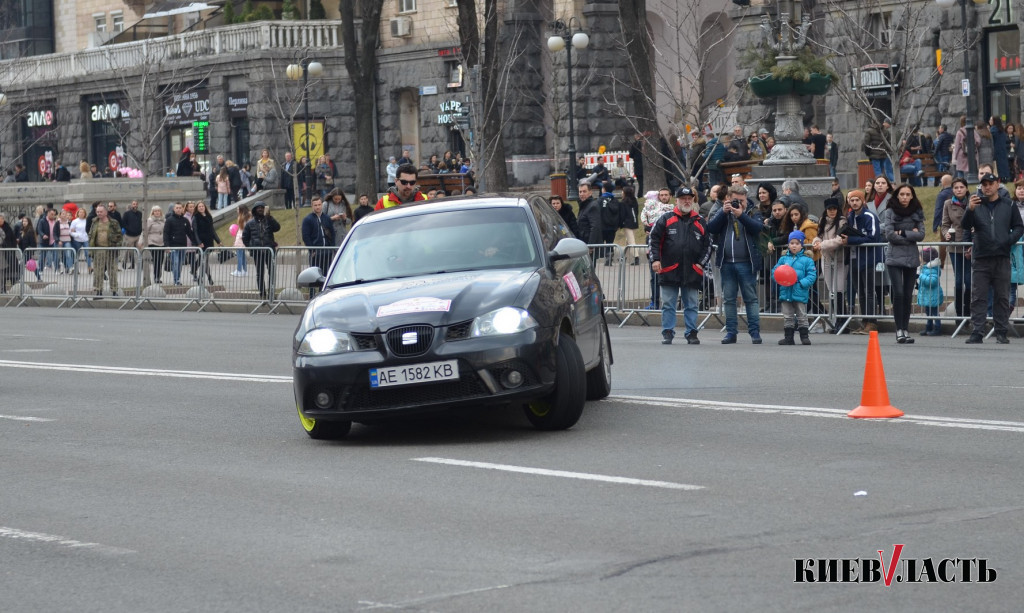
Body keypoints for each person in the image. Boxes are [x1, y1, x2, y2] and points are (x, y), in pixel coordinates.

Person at [961, 173, 1024, 343]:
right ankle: (977, 331)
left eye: (990, 183)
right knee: (978, 296)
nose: (987, 187)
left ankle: (1001, 332)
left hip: (1002, 258)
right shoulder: (976, 204)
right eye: (984, 184)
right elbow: (965, 226)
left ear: (998, 184)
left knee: (1002, 296)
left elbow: (1019, 227)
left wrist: (1008, 241)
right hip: (981, 257)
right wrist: (969, 210)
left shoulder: (1008, 204)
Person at [648, 186, 712, 345]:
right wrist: (655, 260)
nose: (687, 201)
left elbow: (708, 245)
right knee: (668, 303)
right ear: (676, 200)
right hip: (669, 269)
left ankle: (691, 333)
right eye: (683, 198)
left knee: (691, 304)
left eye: (689, 198)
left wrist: (700, 264)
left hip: (692, 271)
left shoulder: (700, 221)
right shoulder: (665, 219)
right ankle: (668, 332)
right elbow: (653, 240)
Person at [707, 184, 764, 344]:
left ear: (746, 199)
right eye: (735, 200)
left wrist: (741, 215)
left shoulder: (753, 212)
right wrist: (723, 213)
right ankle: (731, 332)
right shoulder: (724, 212)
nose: (739, 203)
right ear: (728, 199)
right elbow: (710, 228)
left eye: (741, 200)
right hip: (727, 263)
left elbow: (758, 228)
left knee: (751, 299)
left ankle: (754, 332)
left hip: (747, 263)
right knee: (729, 299)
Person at [881, 184, 925, 344]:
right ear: (897, 196)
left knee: (907, 295)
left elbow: (921, 234)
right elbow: (890, 234)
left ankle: (905, 328)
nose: (905, 197)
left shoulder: (917, 211)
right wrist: (909, 235)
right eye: (902, 194)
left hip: (911, 258)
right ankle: (899, 329)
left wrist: (903, 233)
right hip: (894, 258)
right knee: (898, 293)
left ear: (912, 196)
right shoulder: (890, 211)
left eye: (908, 194)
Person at [840, 189, 882, 334]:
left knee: (869, 291)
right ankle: (865, 321)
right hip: (854, 259)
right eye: (852, 200)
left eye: (857, 200)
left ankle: (872, 322)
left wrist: (850, 240)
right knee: (860, 292)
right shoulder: (850, 216)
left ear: (863, 201)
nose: (854, 202)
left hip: (868, 259)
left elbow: (873, 238)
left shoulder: (870, 216)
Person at [773, 230, 817, 345]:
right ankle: (789, 337)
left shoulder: (807, 260)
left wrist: (802, 283)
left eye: (797, 243)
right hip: (785, 291)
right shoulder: (783, 259)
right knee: (788, 315)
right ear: (788, 244)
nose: (794, 246)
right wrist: (778, 278)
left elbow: (812, 275)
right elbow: (775, 271)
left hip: (799, 291)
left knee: (802, 315)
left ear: (801, 245)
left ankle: (804, 337)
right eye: (792, 243)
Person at [812, 198, 848, 331]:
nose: (832, 211)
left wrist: (822, 245)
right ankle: (836, 320)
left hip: (840, 259)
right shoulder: (822, 221)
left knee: (838, 290)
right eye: (829, 209)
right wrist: (816, 242)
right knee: (831, 290)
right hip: (826, 259)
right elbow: (819, 235)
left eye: (834, 208)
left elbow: (839, 240)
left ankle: (842, 320)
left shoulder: (842, 221)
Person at [941, 177, 972, 319]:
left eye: (961, 187)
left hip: (970, 245)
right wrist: (946, 233)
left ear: (966, 188)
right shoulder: (948, 203)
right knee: (959, 282)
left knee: (969, 281)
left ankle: (968, 312)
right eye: (956, 188)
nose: (959, 190)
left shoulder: (973, 201)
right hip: (955, 247)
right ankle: (959, 314)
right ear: (952, 190)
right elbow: (945, 224)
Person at [241, 201, 280, 301]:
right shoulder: (250, 224)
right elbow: (245, 238)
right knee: (260, 273)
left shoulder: (269, 221)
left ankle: (271, 293)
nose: (260, 209)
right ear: (254, 210)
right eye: (258, 208)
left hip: (269, 251)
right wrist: (252, 248)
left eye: (262, 207)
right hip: (257, 253)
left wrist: (270, 217)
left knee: (272, 272)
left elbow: (277, 228)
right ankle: (262, 294)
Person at [302, 196, 335, 297]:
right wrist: (312, 250)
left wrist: (332, 247)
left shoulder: (326, 218)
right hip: (316, 252)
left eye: (319, 205)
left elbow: (332, 233)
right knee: (314, 275)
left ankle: (323, 294)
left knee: (325, 275)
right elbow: (306, 236)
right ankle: (312, 295)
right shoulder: (308, 219)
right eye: (315, 205)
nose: (318, 207)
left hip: (327, 251)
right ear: (312, 206)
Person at [88, 203, 122, 298]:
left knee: (112, 271)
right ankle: (98, 291)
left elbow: (119, 236)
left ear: (106, 212)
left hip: (110, 249)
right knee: (98, 271)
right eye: (97, 212)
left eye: (101, 211)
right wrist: (91, 247)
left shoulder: (113, 222)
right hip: (98, 250)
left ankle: (114, 290)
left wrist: (117, 247)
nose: (99, 213)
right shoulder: (94, 222)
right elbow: (91, 234)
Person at [163, 202, 199, 286]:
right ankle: (176, 280)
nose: (179, 209)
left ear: (182, 209)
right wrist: (167, 246)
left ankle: (177, 278)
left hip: (182, 246)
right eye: (177, 208)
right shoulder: (169, 220)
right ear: (174, 209)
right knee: (175, 263)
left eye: (180, 208)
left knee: (180, 264)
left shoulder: (185, 220)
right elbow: (166, 233)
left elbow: (189, 233)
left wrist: (195, 243)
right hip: (173, 246)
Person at [918, 246, 944, 336]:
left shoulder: (932, 269)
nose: (919, 258)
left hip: (932, 295)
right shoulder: (925, 268)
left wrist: (921, 276)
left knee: (934, 313)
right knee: (928, 312)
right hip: (928, 295)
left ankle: (937, 328)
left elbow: (932, 281)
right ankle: (928, 327)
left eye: (920, 256)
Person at [193, 202, 221, 286]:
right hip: (201, 242)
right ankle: (208, 278)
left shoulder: (209, 217)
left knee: (204, 260)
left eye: (202, 206)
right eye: (199, 206)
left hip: (209, 241)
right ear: (197, 208)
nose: (201, 208)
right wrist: (199, 242)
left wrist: (218, 241)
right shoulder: (196, 217)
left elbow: (212, 230)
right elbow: (195, 231)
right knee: (204, 261)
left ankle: (195, 269)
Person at [142, 205, 165, 286]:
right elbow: (145, 231)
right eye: (155, 211)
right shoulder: (150, 220)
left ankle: (159, 275)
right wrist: (143, 241)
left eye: (158, 211)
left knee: (161, 260)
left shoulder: (163, 220)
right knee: (156, 259)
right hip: (153, 241)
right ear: (153, 212)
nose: (157, 213)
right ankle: (156, 277)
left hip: (162, 242)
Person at [120, 200, 143, 270]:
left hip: (138, 235)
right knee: (130, 251)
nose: (135, 205)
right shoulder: (127, 214)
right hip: (129, 235)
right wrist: (129, 229)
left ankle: (140, 264)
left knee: (139, 250)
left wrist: (140, 229)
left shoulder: (140, 213)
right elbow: (123, 223)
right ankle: (125, 262)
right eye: (133, 204)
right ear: (131, 205)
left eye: (136, 204)